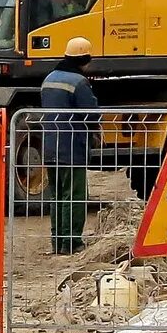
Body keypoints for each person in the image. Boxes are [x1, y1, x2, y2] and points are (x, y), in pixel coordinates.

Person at [39, 36, 100, 254]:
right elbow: (91, 114)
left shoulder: (49, 79)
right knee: (74, 196)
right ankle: (72, 242)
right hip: (72, 147)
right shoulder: (79, 82)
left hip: (50, 146)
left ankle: (58, 242)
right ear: (85, 59)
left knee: (57, 196)